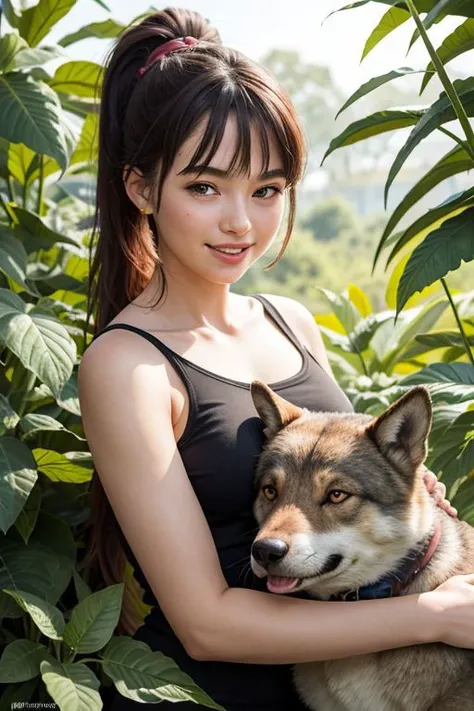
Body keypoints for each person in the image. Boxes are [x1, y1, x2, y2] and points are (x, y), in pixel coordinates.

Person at [78, 7, 474, 711]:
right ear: (141, 188)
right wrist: (438, 616)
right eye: (206, 187)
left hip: (349, 683)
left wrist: (413, 486)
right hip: (216, 695)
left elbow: (350, 472)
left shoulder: (288, 321)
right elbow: (205, 622)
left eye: (266, 190)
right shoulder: (126, 366)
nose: (242, 221)